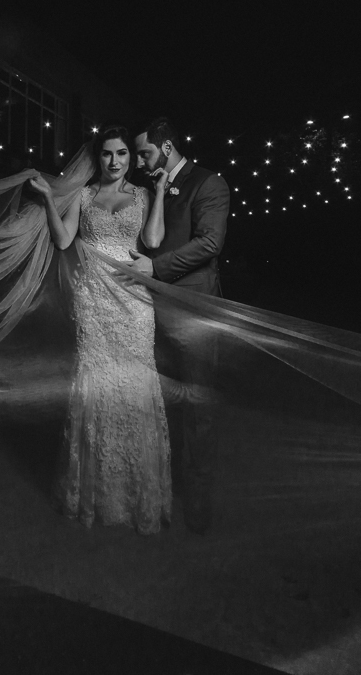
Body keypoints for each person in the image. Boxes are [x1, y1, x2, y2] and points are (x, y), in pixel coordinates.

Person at [27, 126, 172, 534]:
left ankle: (139, 494)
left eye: (122, 153)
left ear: (130, 157)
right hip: (92, 300)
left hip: (133, 302)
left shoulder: (142, 195)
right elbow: (63, 241)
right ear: (98, 157)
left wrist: (160, 193)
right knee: (96, 383)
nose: (115, 161)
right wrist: (48, 199)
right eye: (107, 154)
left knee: (135, 383)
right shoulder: (84, 195)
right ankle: (94, 494)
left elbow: (153, 240)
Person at [129, 117, 230, 534]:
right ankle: (164, 490)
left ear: (167, 148)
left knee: (198, 406)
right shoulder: (149, 187)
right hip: (151, 310)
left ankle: (198, 503)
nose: (138, 162)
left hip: (194, 311)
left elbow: (210, 243)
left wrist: (155, 268)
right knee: (163, 401)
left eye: (145, 153)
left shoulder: (208, 183)